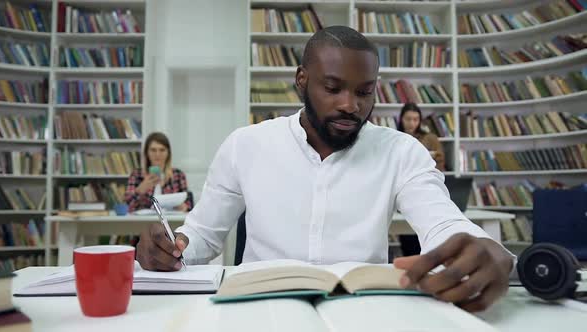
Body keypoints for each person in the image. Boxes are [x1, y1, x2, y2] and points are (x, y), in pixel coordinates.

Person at [136, 26, 514, 312]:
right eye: (333, 88)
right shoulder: (245, 145)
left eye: (364, 92)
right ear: (302, 80)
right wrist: (173, 248)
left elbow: (444, 222)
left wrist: (480, 247)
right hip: (259, 315)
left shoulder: (400, 151)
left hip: (363, 314)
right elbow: (202, 233)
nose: (351, 105)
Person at [125, 132, 191, 212]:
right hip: (143, 222)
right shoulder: (136, 175)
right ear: (147, 153)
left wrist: (184, 207)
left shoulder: (178, 175)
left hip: (171, 222)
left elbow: (188, 205)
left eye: (162, 150)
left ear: (168, 153)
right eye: (153, 150)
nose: (157, 154)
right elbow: (128, 207)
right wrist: (140, 190)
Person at [397, 102, 445, 171]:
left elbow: (440, 163)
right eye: (408, 119)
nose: (411, 123)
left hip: (426, 176)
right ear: (401, 119)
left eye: (415, 119)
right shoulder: (396, 138)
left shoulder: (430, 138)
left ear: (420, 121)